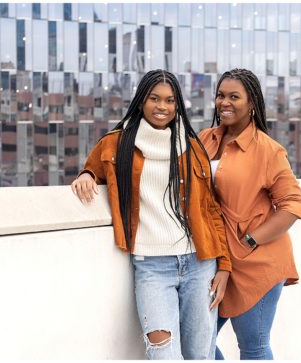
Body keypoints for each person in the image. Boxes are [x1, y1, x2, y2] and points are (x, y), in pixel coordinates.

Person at [70, 69, 230, 359]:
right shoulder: (116, 143)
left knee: (200, 355)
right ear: (141, 101)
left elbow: (210, 209)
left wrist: (224, 266)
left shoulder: (191, 147)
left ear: (177, 104)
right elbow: (94, 167)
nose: (162, 107)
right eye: (154, 98)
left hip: (199, 262)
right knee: (163, 353)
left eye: (170, 100)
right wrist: (87, 174)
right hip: (151, 266)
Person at [198, 69, 301, 360]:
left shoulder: (269, 151)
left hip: (256, 264)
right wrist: (96, 172)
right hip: (214, 260)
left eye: (234, 96)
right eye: (221, 95)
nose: (225, 102)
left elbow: (293, 204)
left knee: (254, 347)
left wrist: (251, 240)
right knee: (195, 340)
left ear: (252, 103)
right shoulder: (205, 139)